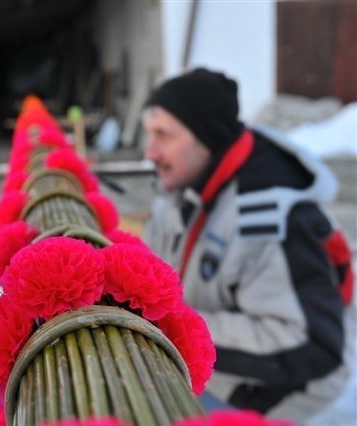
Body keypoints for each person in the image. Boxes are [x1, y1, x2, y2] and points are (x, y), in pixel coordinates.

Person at [142, 68, 352, 422]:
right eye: (149, 134)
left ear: (205, 137)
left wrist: (171, 327)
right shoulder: (188, 182)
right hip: (222, 369)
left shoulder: (271, 218)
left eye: (163, 135)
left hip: (286, 395)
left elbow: (312, 343)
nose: (150, 152)